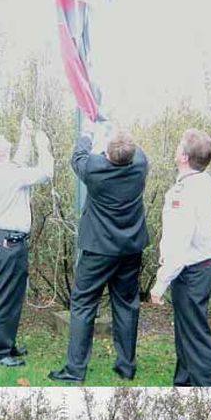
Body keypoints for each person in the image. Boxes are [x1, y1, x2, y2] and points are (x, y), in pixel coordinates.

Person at [49, 127, 149, 383]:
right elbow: (130, 152)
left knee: (83, 305)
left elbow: (78, 155)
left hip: (98, 250)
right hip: (130, 249)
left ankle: (75, 370)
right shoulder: (140, 164)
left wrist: (88, 133)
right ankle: (126, 366)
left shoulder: (94, 169)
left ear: (106, 154)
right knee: (127, 305)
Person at [0, 116, 53, 367]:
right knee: (6, 298)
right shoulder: (9, 174)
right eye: (0, 138)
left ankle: (6, 345)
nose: (3, 136)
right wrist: (43, 146)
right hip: (8, 244)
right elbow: (45, 173)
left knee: (7, 296)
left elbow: (17, 162)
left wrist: (26, 136)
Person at [149, 128, 211, 387]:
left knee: (195, 337)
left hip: (190, 271)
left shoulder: (186, 191)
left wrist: (160, 283)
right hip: (199, 266)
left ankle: (209, 387)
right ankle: (183, 383)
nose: (176, 148)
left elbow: (179, 242)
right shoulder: (206, 183)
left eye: (179, 146)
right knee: (186, 334)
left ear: (183, 157)